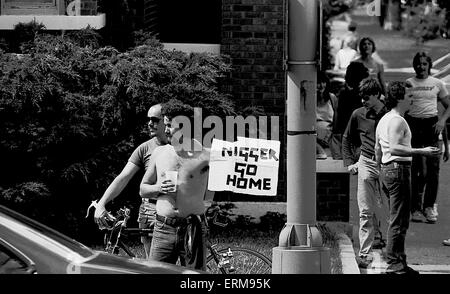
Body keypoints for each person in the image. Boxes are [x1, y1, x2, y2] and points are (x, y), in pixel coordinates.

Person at [375, 81, 441, 274]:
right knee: (398, 219)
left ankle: (400, 262)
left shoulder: (385, 119)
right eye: (409, 96)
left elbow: (378, 149)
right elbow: (395, 147)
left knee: (399, 218)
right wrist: (422, 151)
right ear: (399, 98)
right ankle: (394, 264)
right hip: (398, 169)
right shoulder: (397, 120)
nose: (413, 99)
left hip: (389, 169)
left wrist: (381, 171)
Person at [139, 102, 214, 270]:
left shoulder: (205, 155)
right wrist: (159, 188)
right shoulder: (160, 153)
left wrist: (203, 214)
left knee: (195, 280)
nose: (165, 130)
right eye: (164, 125)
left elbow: (212, 192)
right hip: (163, 229)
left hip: (192, 230)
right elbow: (142, 189)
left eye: (169, 126)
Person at [94, 104, 168, 259]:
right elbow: (123, 177)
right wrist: (102, 203)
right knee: (155, 267)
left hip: (173, 209)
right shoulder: (145, 148)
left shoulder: (182, 147)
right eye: (148, 119)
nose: (149, 123)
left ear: (166, 121)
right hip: (149, 211)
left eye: (154, 119)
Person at [342, 77, 388, 268]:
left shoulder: (389, 115)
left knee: (388, 210)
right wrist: (350, 163)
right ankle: (364, 253)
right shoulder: (358, 115)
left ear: (377, 95)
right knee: (366, 211)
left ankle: (390, 251)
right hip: (366, 162)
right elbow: (347, 139)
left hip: (387, 164)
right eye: (362, 97)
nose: (363, 101)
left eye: (367, 97)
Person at [404, 52, 450, 224]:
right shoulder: (409, 83)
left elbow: (448, 106)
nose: (421, 67)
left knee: (433, 171)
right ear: (414, 65)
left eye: (424, 64)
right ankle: (415, 208)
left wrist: (442, 121)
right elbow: (401, 105)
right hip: (414, 126)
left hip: (431, 126)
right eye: (418, 63)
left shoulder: (437, 83)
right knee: (417, 171)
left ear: (429, 66)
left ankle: (429, 206)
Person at [331, 61, 370, 159]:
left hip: (348, 137)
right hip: (363, 139)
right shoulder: (367, 97)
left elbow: (339, 120)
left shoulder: (344, 95)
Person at [316, 71, 338, 159]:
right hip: (314, 139)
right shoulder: (307, 99)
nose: (321, 85)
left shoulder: (332, 98)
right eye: (318, 83)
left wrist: (330, 135)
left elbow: (337, 120)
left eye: (323, 82)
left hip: (330, 137)